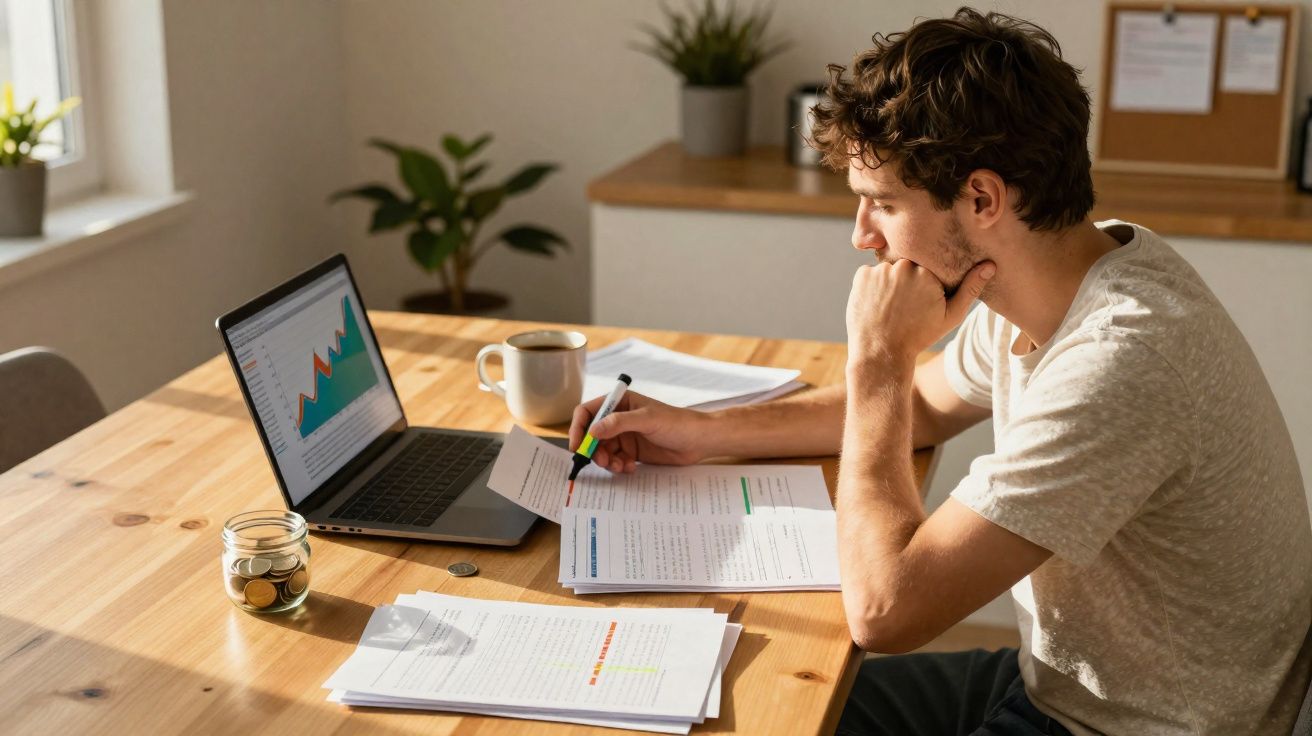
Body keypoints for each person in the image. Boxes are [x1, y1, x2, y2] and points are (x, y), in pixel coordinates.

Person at [567, 7, 1312, 735]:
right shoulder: (1066, 269)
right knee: (757, 704)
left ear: (982, 198)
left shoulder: (1124, 362)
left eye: (881, 205)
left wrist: (879, 357)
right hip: (1062, 682)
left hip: (1134, 721)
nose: (862, 238)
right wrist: (701, 433)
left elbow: (887, 611)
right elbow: (924, 405)